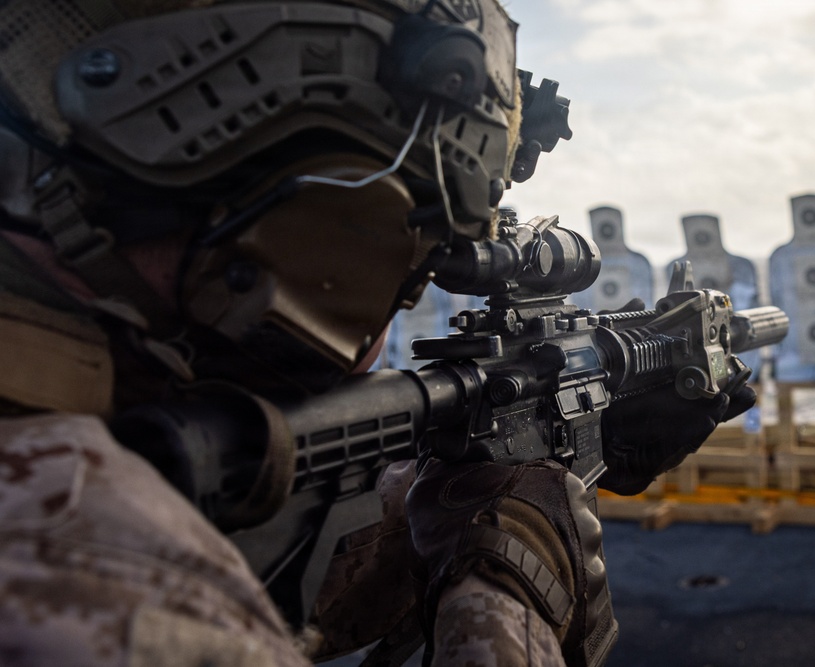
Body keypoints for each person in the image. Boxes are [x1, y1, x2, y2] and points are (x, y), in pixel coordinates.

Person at [0, 1, 755, 665]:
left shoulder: (80, 423)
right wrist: (515, 581)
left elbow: (297, 595)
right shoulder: (90, 574)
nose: (397, 292)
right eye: (404, 245)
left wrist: (471, 489)